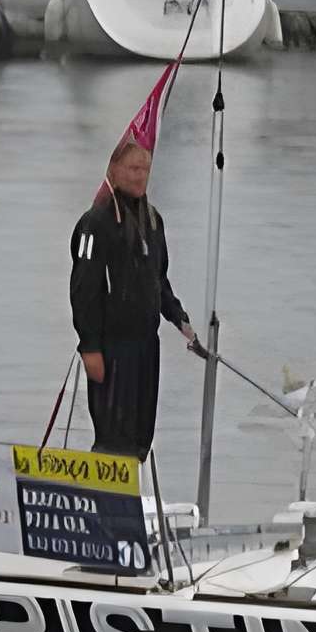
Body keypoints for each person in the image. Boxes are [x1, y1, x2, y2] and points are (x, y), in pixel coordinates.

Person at [69, 138, 203, 458]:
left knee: (140, 434)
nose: (139, 175)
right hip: (112, 347)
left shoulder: (153, 221)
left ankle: (133, 497)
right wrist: (89, 347)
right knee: (113, 436)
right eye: (131, 168)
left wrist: (179, 318)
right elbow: (83, 291)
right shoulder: (95, 223)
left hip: (146, 345)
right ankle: (106, 498)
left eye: (144, 169)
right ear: (113, 171)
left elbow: (159, 279)